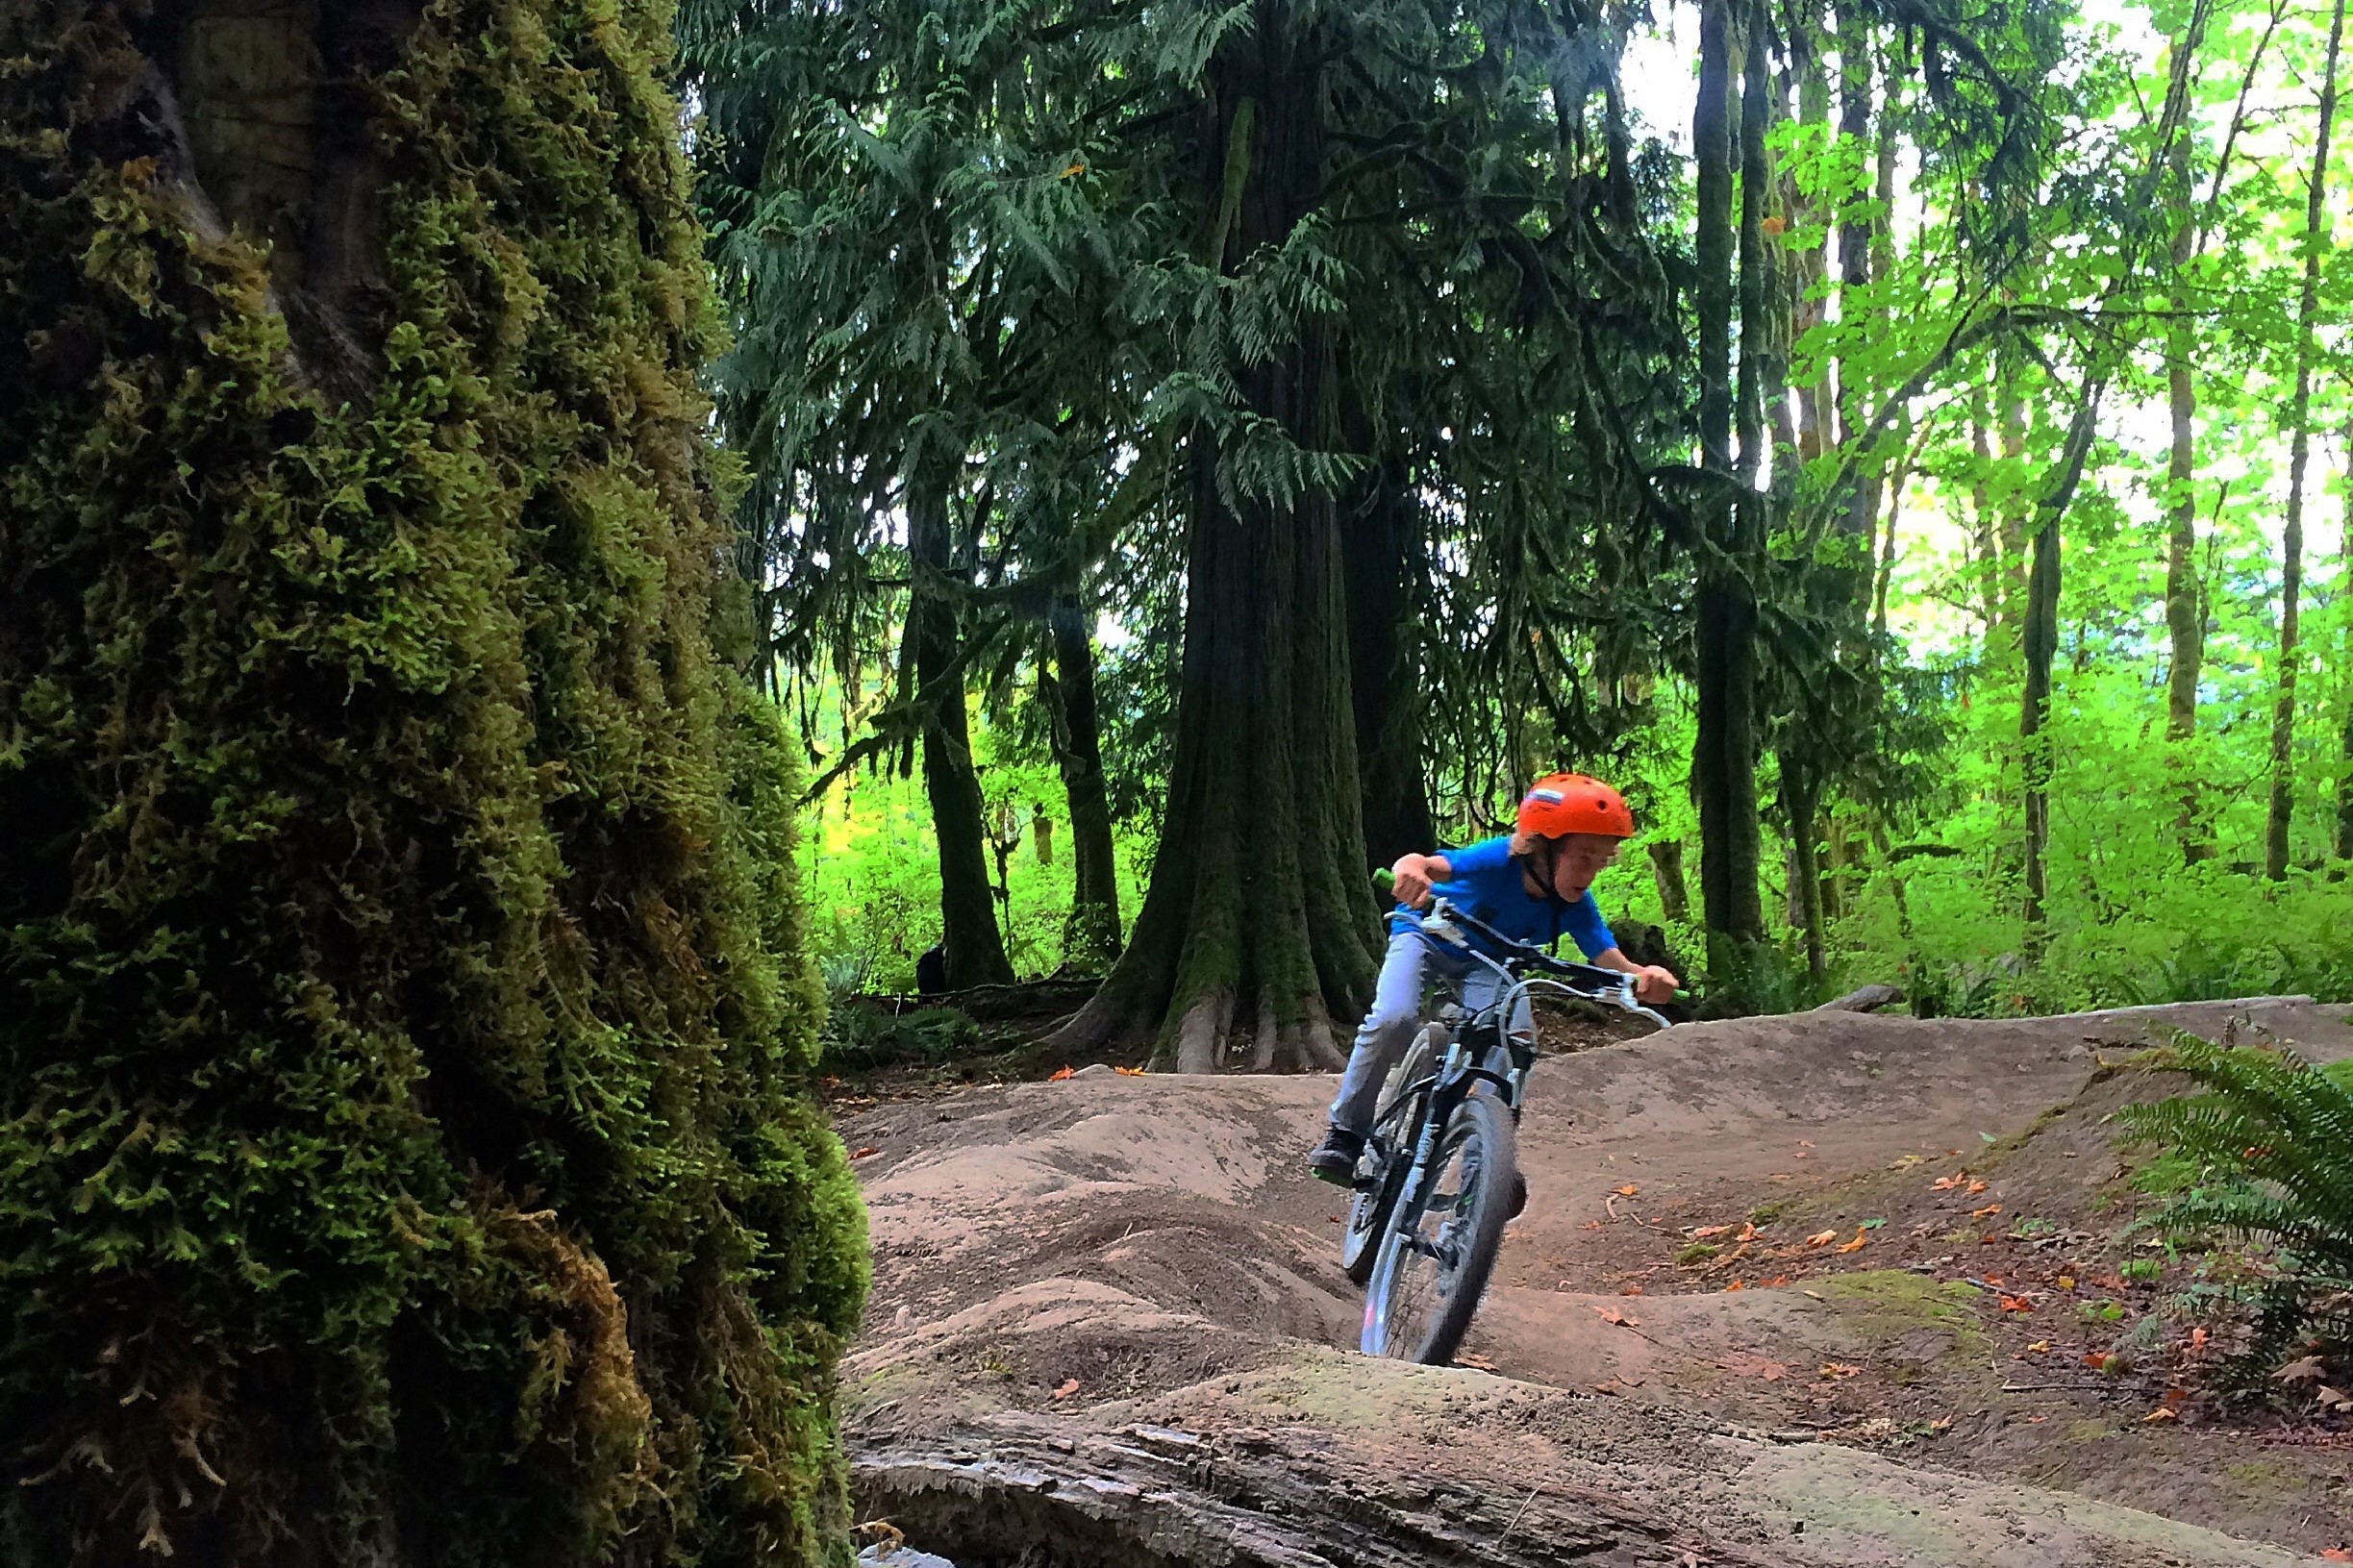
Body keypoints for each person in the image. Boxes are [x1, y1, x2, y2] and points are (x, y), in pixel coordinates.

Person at [1307, 773, 1679, 1186]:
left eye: (1602, 860)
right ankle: (1346, 1133)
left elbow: (1606, 955)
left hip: (1487, 963)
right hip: (1427, 935)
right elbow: (1432, 865)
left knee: (1512, 1044)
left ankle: (1485, 1170)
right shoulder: (1499, 859)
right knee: (1393, 1018)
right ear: (1544, 847)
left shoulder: (1574, 904)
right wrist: (1409, 867)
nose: (1591, 872)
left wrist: (1641, 977)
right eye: (1584, 856)